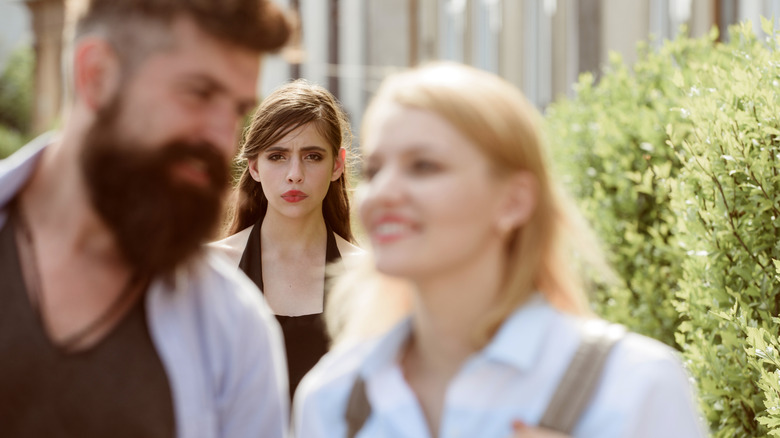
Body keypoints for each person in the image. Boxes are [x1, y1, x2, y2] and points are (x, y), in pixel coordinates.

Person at [292, 62, 706, 438]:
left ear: (514, 201)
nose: (382, 193)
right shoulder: (330, 398)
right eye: (376, 170)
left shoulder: (635, 387)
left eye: (424, 166)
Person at [0, 1, 292, 437]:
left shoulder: (236, 331)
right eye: (199, 92)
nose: (223, 138)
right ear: (96, 75)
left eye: (237, 110)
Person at [209, 79, 363, 399]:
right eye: (277, 156)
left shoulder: (366, 277)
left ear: (337, 164)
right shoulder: (210, 269)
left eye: (312, 156)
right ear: (253, 166)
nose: (295, 173)